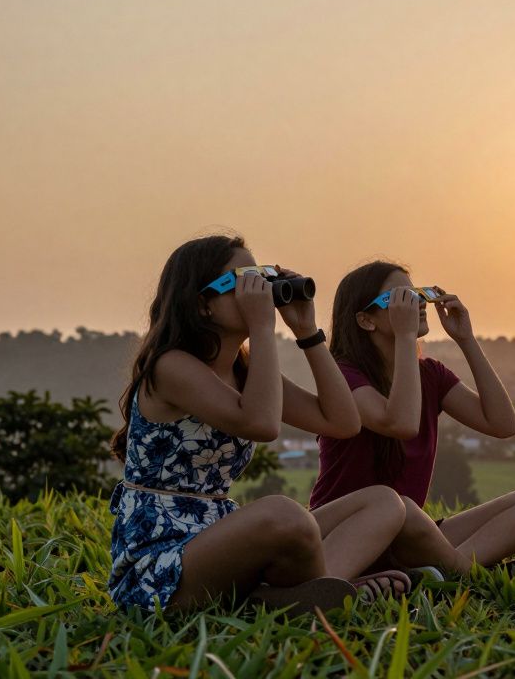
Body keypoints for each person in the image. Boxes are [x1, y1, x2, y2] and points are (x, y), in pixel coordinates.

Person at [109, 236, 412, 613]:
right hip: (158, 569)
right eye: (244, 281)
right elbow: (262, 424)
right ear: (202, 303)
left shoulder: (245, 372)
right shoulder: (172, 366)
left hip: (220, 541)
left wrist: (308, 333)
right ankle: (325, 592)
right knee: (284, 514)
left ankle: (305, 594)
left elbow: (342, 422)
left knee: (382, 500)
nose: (260, 292)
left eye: (262, 278)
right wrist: (264, 328)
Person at [310, 261, 515, 580]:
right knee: (402, 507)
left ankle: (435, 570)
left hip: (411, 535)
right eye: (401, 298)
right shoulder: (344, 376)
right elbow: (401, 423)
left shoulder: (430, 374)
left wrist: (466, 339)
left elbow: (502, 424)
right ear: (366, 320)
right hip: (350, 534)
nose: (418, 304)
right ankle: (476, 576)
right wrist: (407, 338)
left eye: (418, 294)